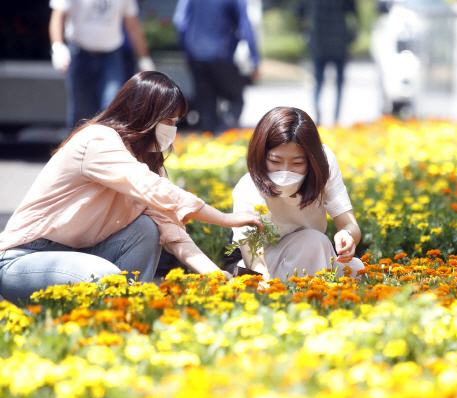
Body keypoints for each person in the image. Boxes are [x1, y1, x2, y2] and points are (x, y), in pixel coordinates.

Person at [0, 71, 262, 306]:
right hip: (24, 259)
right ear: (142, 114)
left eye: (176, 121)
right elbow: (154, 188)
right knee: (107, 279)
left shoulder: (147, 164)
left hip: (79, 256)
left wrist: (216, 275)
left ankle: (129, 316)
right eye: (167, 121)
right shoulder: (97, 140)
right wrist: (226, 219)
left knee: (146, 228)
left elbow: (173, 232)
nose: (172, 130)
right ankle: (122, 312)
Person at [230, 106, 364, 281]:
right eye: (275, 161)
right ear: (260, 156)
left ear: (312, 160)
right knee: (313, 242)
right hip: (268, 261)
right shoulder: (248, 188)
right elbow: (254, 257)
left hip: (313, 251)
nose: (286, 171)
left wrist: (347, 236)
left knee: (354, 268)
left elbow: (350, 225)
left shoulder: (325, 166)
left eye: (297, 163)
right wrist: (265, 283)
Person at [49, 0, 156, 130]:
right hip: (79, 55)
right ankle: (78, 149)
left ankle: (107, 149)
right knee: (81, 113)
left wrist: (143, 57)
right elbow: (58, 16)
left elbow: (132, 24)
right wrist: (57, 46)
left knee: (112, 110)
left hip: (110, 58)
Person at [173, 0, 260, 134]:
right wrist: (254, 59)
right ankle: (224, 133)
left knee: (206, 102)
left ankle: (209, 141)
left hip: (196, 56)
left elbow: (180, 22)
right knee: (236, 98)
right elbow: (245, 26)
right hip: (222, 56)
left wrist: (186, 51)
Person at [297, 0, 359, 126]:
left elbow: (300, 14)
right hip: (339, 41)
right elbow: (354, 14)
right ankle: (335, 117)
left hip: (319, 41)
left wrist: (305, 33)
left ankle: (318, 113)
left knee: (318, 81)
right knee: (339, 83)